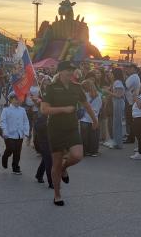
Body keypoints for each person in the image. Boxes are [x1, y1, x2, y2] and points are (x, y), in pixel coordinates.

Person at [40, 61, 98, 207]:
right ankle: (57, 194)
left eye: (72, 70)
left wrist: (94, 120)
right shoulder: (51, 88)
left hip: (72, 127)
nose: (70, 72)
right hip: (55, 129)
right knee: (56, 163)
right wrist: (64, 109)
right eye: (67, 70)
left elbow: (86, 105)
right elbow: (44, 110)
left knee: (78, 155)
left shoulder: (76, 88)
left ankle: (65, 168)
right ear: (60, 72)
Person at [0, 92, 30, 175]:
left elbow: (26, 121)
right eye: (15, 99)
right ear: (10, 100)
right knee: (10, 148)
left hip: (19, 134)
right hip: (9, 134)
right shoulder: (6, 110)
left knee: (17, 152)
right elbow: (3, 122)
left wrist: (26, 131)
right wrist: (5, 131)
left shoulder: (22, 110)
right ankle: (5, 157)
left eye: (19, 99)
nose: (17, 101)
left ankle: (16, 167)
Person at [103, 68, 125, 149]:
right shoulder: (116, 82)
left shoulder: (118, 82)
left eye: (112, 74)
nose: (111, 75)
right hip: (116, 103)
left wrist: (107, 91)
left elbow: (119, 95)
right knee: (115, 123)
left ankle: (118, 143)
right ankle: (116, 142)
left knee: (117, 124)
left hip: (118, 103)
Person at [80, 80, 102, 157]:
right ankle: (93, 151)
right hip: (94, 118)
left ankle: (84, 151)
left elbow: (83, 107)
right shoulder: (98, 95)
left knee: (84, 137)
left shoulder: (84, 95)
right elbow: (98, 108)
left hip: (84, 118)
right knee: (94, 137)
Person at [34, 111, 54, 189]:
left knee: (45, 160)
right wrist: (48, 123)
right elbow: (37, 127)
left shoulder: (55, 117)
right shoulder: (41, 117)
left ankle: (39, 175)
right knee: (49, 162)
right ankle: (51, 182)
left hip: (53, 142)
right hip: (43, 143)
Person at [124, 64, 141, 143]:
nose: (128, 70)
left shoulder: (133, 77)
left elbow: (125, 87)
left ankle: (131, 137)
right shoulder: (134, 76)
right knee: (130, 120)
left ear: (134, 69)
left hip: (130, 100)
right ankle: (130, 136)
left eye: (130, 68)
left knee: (130, 120)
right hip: (131, 99)